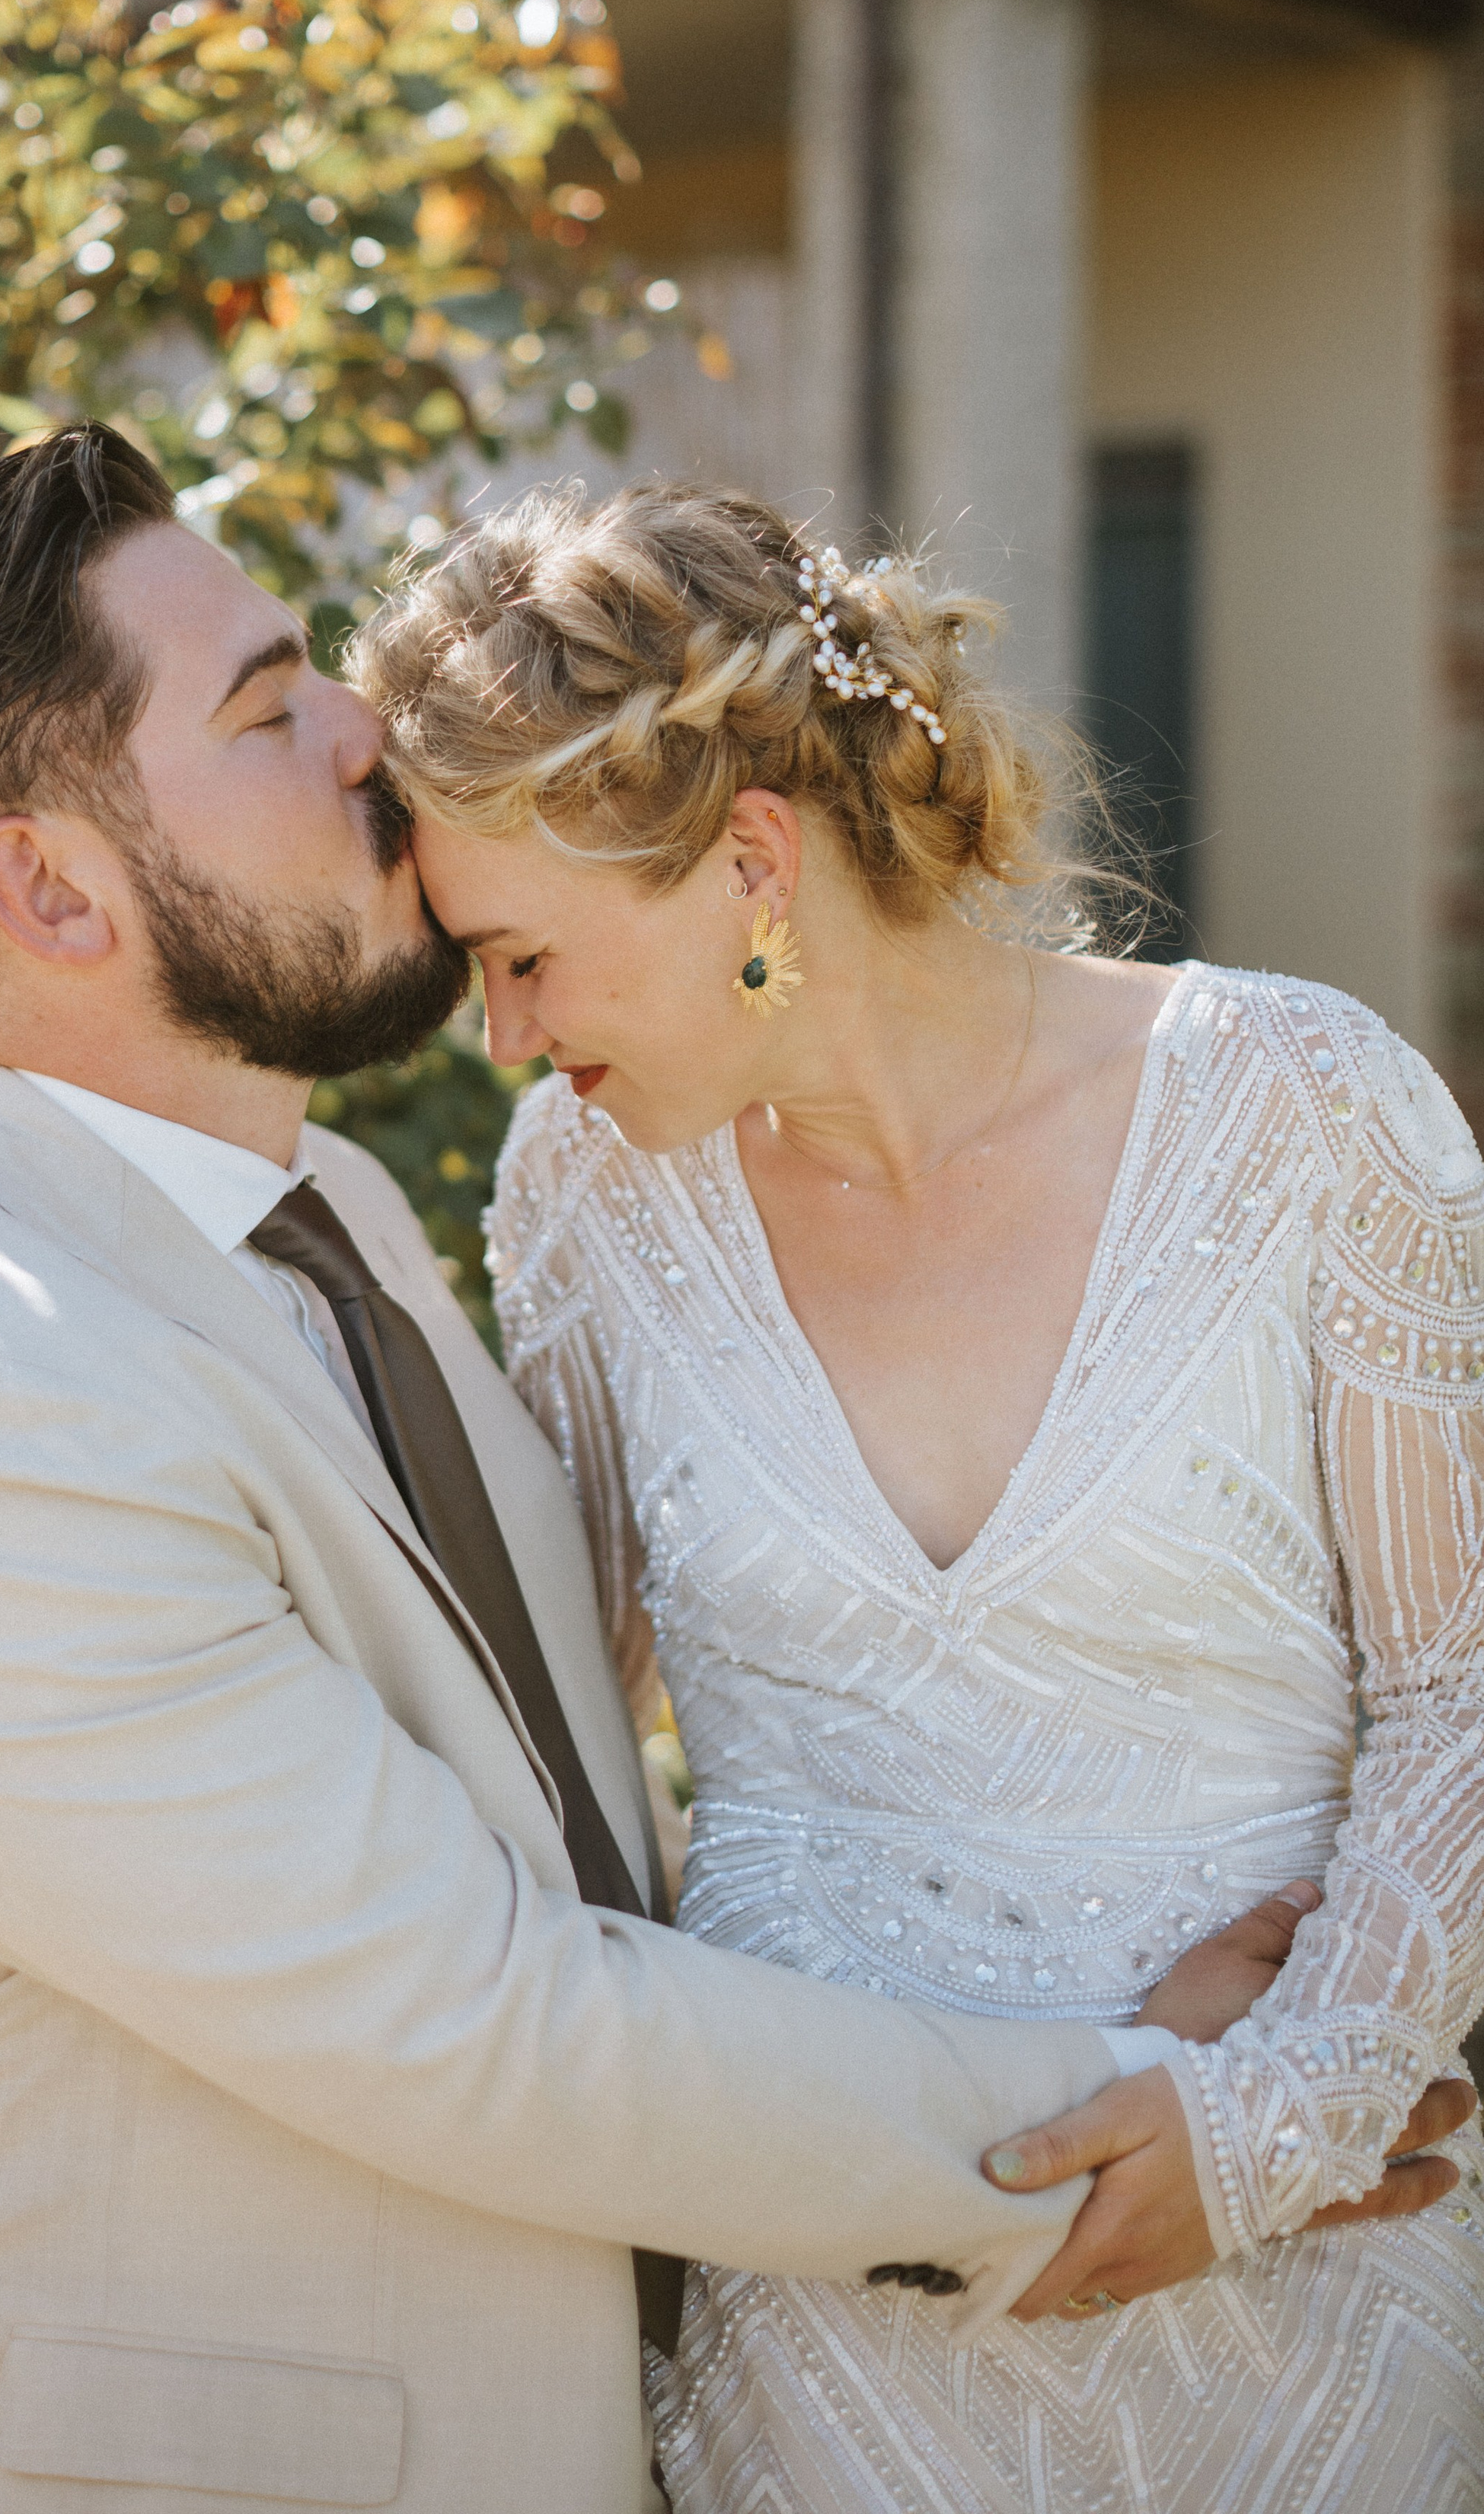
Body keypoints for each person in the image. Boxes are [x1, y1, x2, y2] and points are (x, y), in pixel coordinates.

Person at [0, 430, 1456, 2514]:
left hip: (1223, 2333)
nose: (363, 736)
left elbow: (557, 1773)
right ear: (52, 886)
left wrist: (1308, 2065)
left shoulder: (316, 1222)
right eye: (269, 707)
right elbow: (492, 2015)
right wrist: (1166, 2110)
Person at [354, 478, 1484, 2514]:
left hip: (1325, 2304)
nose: (508, 1035)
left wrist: (1283, 2114)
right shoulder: (586, 1202)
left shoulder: (1310, 1110)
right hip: (826, 2335)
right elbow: (549, 1767)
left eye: (522, 957)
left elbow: (1463, 1687)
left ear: (752, 864)